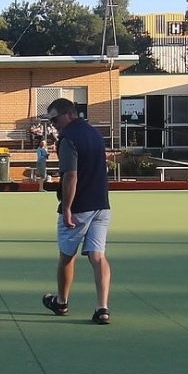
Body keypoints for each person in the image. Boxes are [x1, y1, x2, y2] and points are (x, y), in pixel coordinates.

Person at [42, 98, 112, 325]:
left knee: (66, 255)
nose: (53, 125)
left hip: (79, 207)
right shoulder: (95, 134)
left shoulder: (68, 138)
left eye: (55, 119)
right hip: (101, 204)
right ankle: (102, 308)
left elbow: (71, 175)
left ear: (69, 114)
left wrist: (68, 208)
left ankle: (61, 302)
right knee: (97, 256)